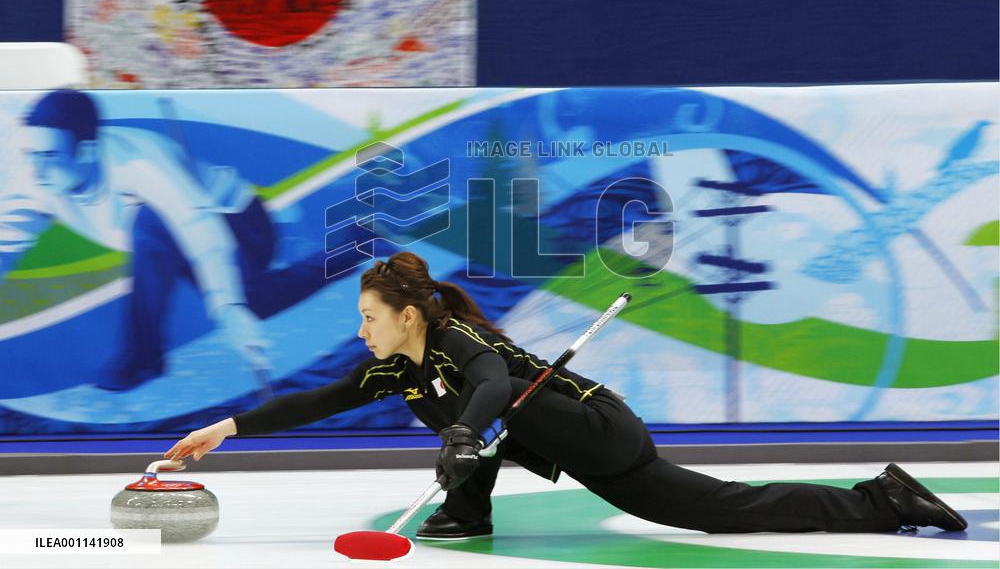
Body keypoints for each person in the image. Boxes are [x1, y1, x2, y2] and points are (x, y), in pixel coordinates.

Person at [164, 251, 968, 539]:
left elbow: (491, 383)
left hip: (596, 426)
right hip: (551, 436)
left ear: (408, 314)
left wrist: (463, 437)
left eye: (372, 318)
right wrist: (226, 426)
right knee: (455, 413)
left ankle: (880, 499)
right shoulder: (398, 364)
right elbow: (320, 398)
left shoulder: (457, 340)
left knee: (482, 403)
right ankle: (470, 506)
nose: (364, 330)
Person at [0, 89, 334, 390]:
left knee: (152, 224)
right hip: (170, 246)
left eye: (49, 157)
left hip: (239, 224)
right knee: (256, 301)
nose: (36, 171)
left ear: (87, 152)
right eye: (31, 155)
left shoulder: (139, 162)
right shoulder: (35, 180)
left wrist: (228, 307)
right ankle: (349, 248)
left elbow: (197, 225)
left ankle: (143, 355)